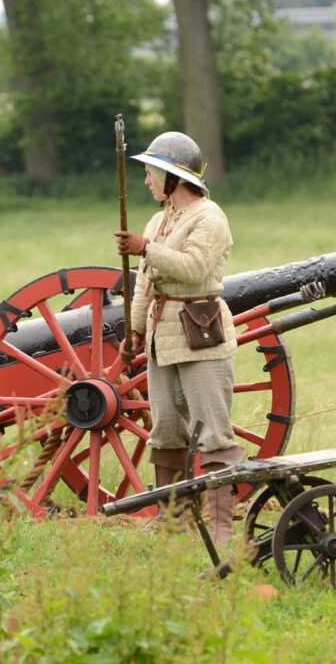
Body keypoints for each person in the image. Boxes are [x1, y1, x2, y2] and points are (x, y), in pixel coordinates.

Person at [114, 131, 244, 548]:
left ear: (174, 176)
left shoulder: (210, 218)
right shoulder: (158, 221)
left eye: (152, 173)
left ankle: (221, 528)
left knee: (214, 434)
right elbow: (144, 284)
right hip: (161, 336)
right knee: (167, 430)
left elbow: (193, 268)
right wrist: (135, 329)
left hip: (202, 332)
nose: (146, 181)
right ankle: (170, 520)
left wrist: (146, 249)